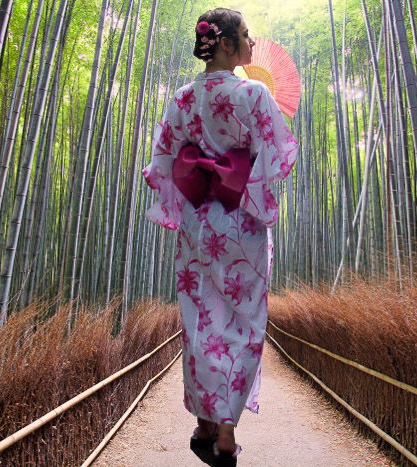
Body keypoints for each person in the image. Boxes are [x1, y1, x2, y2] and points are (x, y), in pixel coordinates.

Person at [142, 7, 298, 466]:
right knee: (243, 323)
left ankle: (204, 424)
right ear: (227, 44)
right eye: (246, 37)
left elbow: (162, 164)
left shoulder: (182, 97)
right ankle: (226, 429)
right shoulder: (254, 94)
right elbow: (279, 157)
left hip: (196, 225)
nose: (252, 45)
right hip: (241, 222)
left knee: (199, 323)